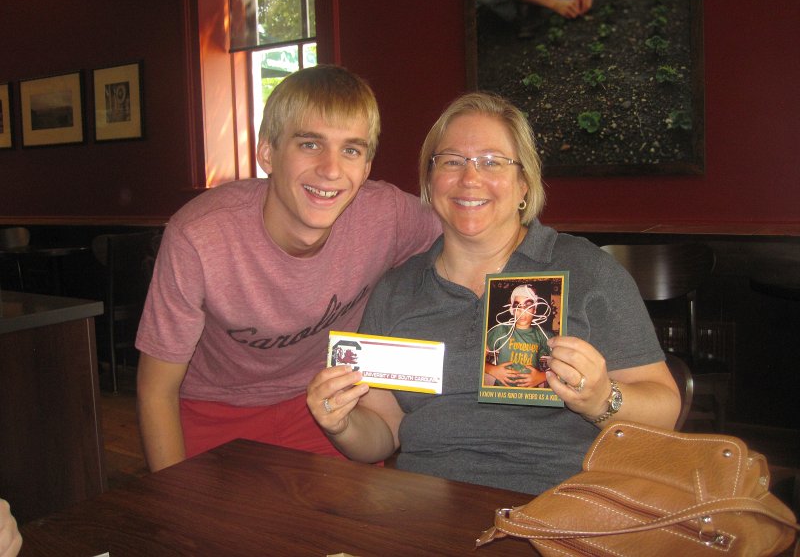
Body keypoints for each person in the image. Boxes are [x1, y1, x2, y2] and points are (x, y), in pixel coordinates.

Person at [307, 91, 680, 495]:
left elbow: (665, 410)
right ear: (430, 182)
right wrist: (340, 423)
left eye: (492, 162)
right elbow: (383, 431)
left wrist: (601, 399)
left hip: (558, 503)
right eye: (451, 161)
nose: (470, 178)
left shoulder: (588, 271)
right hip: (425, 506)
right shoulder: (397, 289)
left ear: (524, 184)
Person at [135, 65, 441, 472]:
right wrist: (171, 499)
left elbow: (475, 238)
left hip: (327, 406)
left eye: (351, 150)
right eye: (310, 144)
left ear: (366, 167)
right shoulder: (199, 235)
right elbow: (156, 390)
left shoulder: (388, 214)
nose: (332, 169)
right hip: (213, 408)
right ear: (267, 153)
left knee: (358, 531)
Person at [484, 283, 552, 387]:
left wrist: (542, 376)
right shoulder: (500, 330)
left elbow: (565, 364)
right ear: (512, 309)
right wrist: (492, 370)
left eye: (528, 306)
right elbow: (475, 358)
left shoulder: (542, 334)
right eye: (517, 306)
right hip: (501, 394)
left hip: (530, 396)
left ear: (535, 309)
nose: (522, 311)